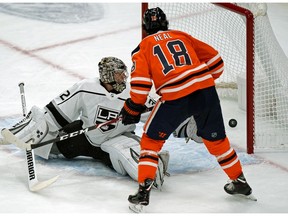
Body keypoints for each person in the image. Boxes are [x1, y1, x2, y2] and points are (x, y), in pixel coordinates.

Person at [119, 7, 255, 210]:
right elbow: (216, 61)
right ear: (165, 23)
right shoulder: (182, 36)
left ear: (145, 28)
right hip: (206, 93)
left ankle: (143, 191)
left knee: (151, 141)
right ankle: (240, 182)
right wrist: (203, 82)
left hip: (175, 98)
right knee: (217, 141)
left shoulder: (142, 48)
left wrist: (133, 106)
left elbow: (140, 84)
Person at [1, 56, 170, 189]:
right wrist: (37, 130)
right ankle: (10, 136)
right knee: (41, 144)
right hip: (84, 136)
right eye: (119, 74)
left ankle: (152, 160)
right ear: (107, 76)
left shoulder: (133, 93)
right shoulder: (86, 87)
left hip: (118, 138)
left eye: (123, 74)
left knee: (149, 176)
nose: (123, 78)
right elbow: (55, 114)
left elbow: (157, 114)